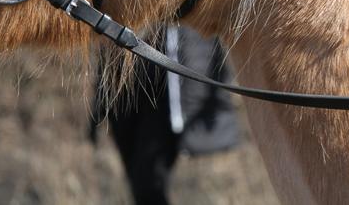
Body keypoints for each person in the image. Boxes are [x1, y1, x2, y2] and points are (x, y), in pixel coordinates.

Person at [92, 26, 239, 205]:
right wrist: (98, 107)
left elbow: (208, 55)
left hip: (164, 98)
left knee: (149, 180)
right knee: (137, 178)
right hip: (122, 93)